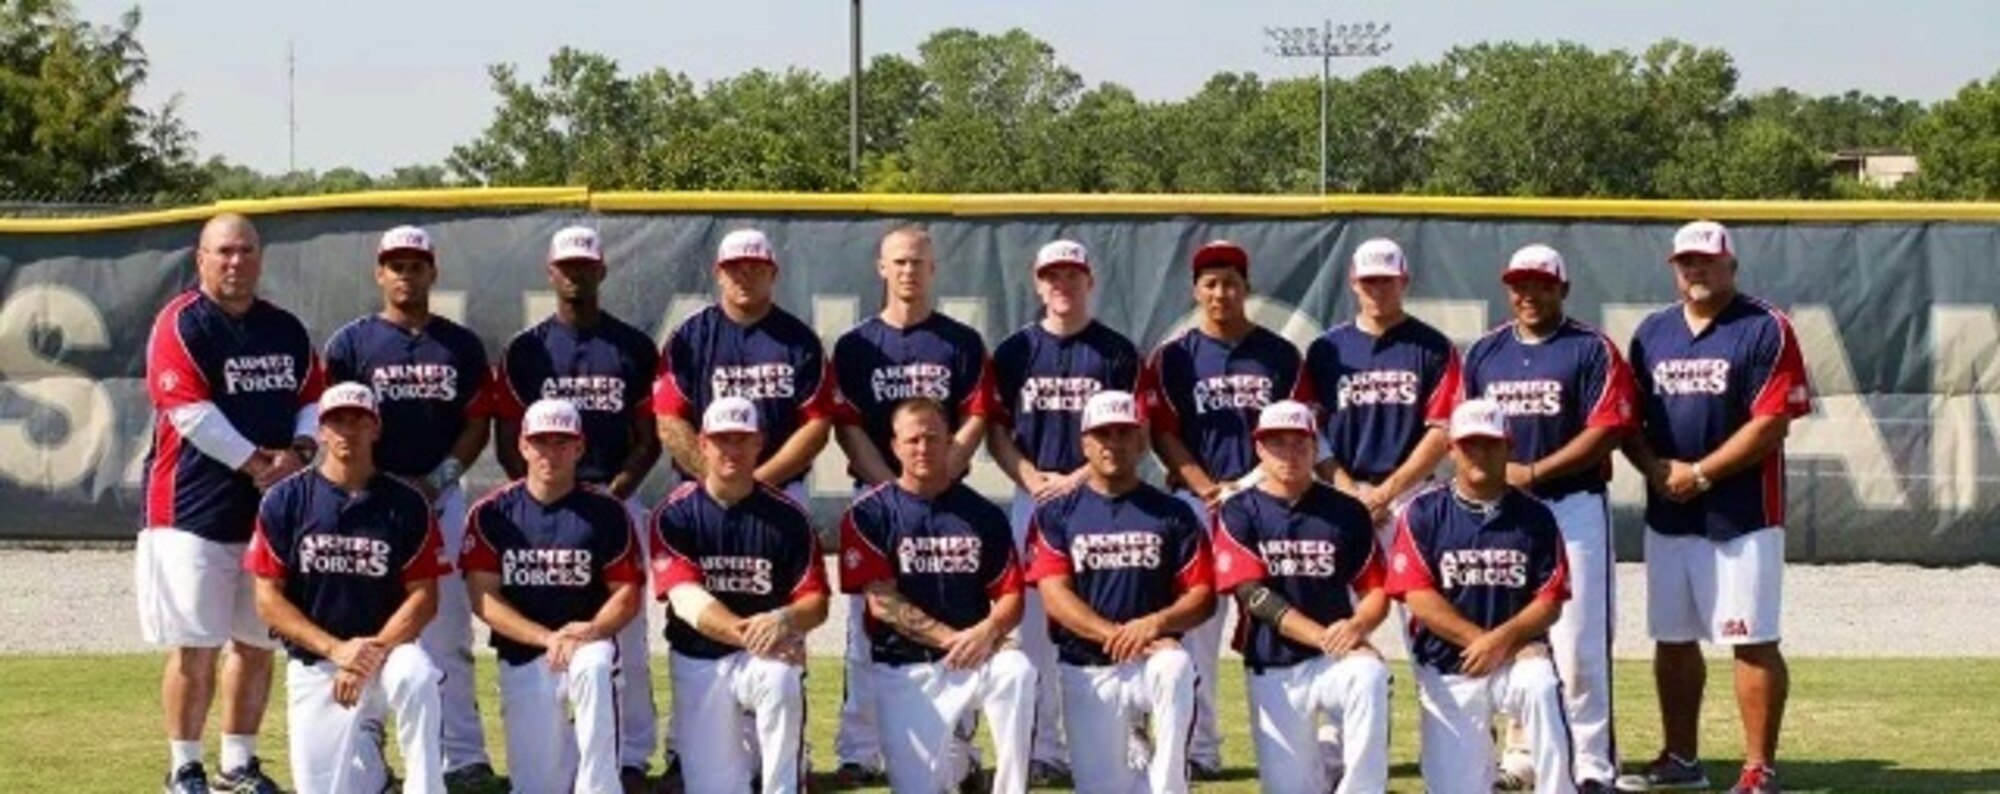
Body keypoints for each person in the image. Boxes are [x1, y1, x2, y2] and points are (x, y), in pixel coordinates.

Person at [1614, 221, 1812, 794]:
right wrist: (1654, 469)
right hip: (1670, 508)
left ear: (1731, 265)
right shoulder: (1652, 333)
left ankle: (1758, 769)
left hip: (1744, 512)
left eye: (1706, 261)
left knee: (1750, 637)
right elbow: (1630, 421)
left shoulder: (1765, 327)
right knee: (1673, 638)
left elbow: (1772, 423)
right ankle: (1681, 759)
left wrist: (1700, 473)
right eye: (1685, 262)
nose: (1695, 270)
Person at [140, 212, 322, 793]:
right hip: (190, 511)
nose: (235, 261)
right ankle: (184, 766)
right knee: (195, 646)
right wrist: (261, 465)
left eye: (245, 250)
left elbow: (314, 399)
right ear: (201, 258)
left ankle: (237, 763)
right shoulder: (181, 323)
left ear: (259, 258)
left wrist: (298, 451)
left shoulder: (285, 329)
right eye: (223, 251)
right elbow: (189, 413)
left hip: (267, 516)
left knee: (257, 641)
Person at [650, 227, 837, 783]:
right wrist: (719, 474)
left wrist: (760, 481)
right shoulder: (690, 337)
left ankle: (787, 761)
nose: (744, 274)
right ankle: (691, 746)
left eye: (756, 265)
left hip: (780, 491)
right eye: (735, 266)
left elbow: (818, 422)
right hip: (704, 496)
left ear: (772, 272)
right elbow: (668, 417)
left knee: (782, 650)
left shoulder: (798, 340)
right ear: (718, 272)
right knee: (700, 617)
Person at [323, 224, 496, 787]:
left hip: (436, 497)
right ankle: (366, 753)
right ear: (379, 273)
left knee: (446, 627)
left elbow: (476, 421)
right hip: (369, 500)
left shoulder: (459, 344)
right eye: (395, 264)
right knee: (367, 620)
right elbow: (334, 420)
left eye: (415, 264)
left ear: (432, 272)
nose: (405, 273)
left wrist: (441, 477)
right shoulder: (351, 343)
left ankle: (462, 756)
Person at [827, 225, 999, 783]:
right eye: (898, 262)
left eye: (918, 263)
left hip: (947, 498)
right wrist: (888, 483)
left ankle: (961, 750)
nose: (908, 271)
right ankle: (858, 749)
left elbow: (976, 413)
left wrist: (946, 468)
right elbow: (847, 423)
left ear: (933, 270)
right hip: (879, 497)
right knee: (866, 626)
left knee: (959, 616)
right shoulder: (857, 345)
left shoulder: (959, 341)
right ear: (882, 268)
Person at [493, 225, 663, 788]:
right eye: (566, 266)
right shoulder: (526, 349)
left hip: (616, 500)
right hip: (542, 504)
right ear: (551, 272)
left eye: (585, 265)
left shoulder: (633, 346)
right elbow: (508, 438)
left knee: (626, 639)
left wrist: (612, 493)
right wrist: (543, 496)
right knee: (547, 627)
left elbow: (649, 437)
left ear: (602, 271)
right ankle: (557, 752)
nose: (576, 274)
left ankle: (631, 755)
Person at [1463, 244, 1637, 790]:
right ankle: (1523, 754)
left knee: (1580, 643)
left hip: (1573, 503)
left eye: (1540, 283)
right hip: (1506, 514)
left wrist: (1533, 471)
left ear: (1562, 288)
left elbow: (1607, 428)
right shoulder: (1485, 353)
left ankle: (1591, 765)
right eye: (1519, 284)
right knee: (1508, 636)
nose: (1528, 294)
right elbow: (1465, 428)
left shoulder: (1590, 349)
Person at [1141, 239, 1303, 778]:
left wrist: (1250, 482)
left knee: (1275, 619)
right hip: (1198, 503)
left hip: (1266, 502)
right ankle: (1200, 749)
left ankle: (1296, 747)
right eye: (1210, 283)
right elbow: (1163, 433)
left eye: (1230, 282)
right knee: (1197, 630)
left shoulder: (1279, 354)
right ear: (1196, 290)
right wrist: (1206, 487)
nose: (1220, 292)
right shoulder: (1174, 357)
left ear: (1246, 288)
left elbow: (1296, 428)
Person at [987, 239, 1143, 782]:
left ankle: (1121, 740)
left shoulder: (1116, 352)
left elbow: (1131, 431)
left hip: (1098, 494)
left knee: (1110, 612)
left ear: (1088, 281)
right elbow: (997, 431)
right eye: (1052, 276)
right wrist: (1030, 477)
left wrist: (1081, 476)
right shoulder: (1013, 352)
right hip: (1034, 495)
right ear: (1037, 283)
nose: (1062, 284)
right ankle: (1042, 749)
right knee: (1032, 627)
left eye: (1071, 275)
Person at [243, 382, 449, 794]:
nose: (347, 430)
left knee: (418, 675)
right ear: (320, 431)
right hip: (319, 661)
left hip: (388, 653)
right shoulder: (286, 500)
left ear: (376, 428)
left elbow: (424, 597)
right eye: (336, 421)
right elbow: (268, 599)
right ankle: (374, 770)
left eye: (359, 419)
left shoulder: (406, 502)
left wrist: (367, 656)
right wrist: (338, 652)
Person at [839, 398, 1035, 794]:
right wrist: (955, 640)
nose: (923, 448)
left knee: (1018, 670)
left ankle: (1009, 787)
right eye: (912, 440)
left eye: (933, 438)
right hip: (905, 666)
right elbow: (882, 602)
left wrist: (991, 629)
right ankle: (960, 764)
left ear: (951, 443)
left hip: (974, 659)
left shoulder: (983, 515)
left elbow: (1011, 594)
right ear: (894, 446)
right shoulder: (869, 514)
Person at [1386, 398, 1579, 794]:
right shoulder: (1422, 512)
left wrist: (1501, 643)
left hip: (1515, 660)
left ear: (1508, 448)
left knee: (1541, 684)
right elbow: (1417, 596)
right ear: (1451, 449)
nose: (1480, 453)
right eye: (1470, 443)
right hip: (1449, 665)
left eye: (1490, 444)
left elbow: (1551, 599)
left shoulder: (1535, 516)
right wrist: (1485, 643)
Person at [1025, 390, 1212, 794]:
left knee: (1176, 665)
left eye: (1124, 433)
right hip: (1088, 666)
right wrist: (1117, 635)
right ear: (1084, 443)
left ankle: (1169, 785)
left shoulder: (1174, 513)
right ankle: (1135, 750)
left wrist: (1156, 624)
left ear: (1142, 440)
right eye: (1103, 434)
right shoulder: (1056, 514)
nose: (1114, 443)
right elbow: (1055, 596)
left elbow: (1202, 596)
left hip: (1153, 658)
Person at [462, 399, 644, 794]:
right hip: (525, 654)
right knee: (536, 786)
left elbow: (627, 592)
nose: (551, 453)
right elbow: (484, 599)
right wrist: (547, 638)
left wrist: (593, 629)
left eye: (562, 442)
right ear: (523, 446)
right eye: (541, 442)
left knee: (595, 668)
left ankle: (599, 788)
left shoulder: (606, 511)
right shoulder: (492, 512)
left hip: (587, 643)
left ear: (579, 448)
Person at [651, 397, 832, 793]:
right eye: (721, 440)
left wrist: (784, 620)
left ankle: (784, 785)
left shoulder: (788, 516)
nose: (731, 450)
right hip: (701, 659)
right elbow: (686, 599)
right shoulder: (674, 513)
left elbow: (816, 602)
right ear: (702, 444)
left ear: (758, 444)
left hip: (766, 657)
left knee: (782, 679)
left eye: (741, 439)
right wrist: (752, 636)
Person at [1211, 400, 1391, 794]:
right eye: (1277, 444)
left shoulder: (1347, 511)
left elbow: (1377, 589)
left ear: (1315, 448)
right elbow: (1253, 596)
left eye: (1299, 443)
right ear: (1259, 450)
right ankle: (1325, 756)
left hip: (1334, 659)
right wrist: (1327, 636)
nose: (1289, 453)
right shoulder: (1239, 510)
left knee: (1370, 673)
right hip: (1274, 662)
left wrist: (1359, 627)